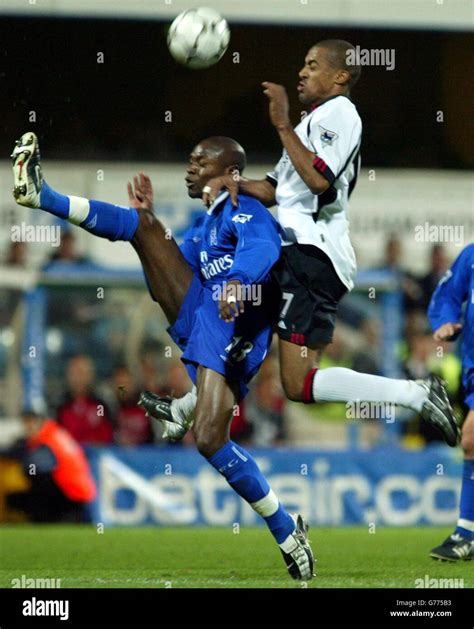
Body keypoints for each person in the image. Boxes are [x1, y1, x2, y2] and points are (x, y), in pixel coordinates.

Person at [11, 131, 315, 580]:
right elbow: (169, 262)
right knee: (144, 226)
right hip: (204, 318)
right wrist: (148, 225)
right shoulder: (204, 226)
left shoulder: (243, 208)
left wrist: (237, 281)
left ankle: (286, 530)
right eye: (190, 159)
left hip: (239, 324)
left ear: (230, 172)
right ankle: (43, 195)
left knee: (211, 440)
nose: (191, 167)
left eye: (201, 161)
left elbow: (264, 249)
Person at [143, 39, 459, 450]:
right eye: (303, 64)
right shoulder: (313, 123)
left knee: (282, 362)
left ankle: (416, 394)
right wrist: (231, 182)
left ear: (341, 75)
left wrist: (281, 124)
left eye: (313, 65)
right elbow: (275, 190)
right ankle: (190, 406)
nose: (302, 72)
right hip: (303, 256)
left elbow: (317, 180)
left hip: (310, 255)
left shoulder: (340, 114)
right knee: (259, 342)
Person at [427, 244, 474, 561]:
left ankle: (466, 534)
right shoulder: (471, 256)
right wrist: (444, 321)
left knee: (471, 439)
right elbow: (446, 294)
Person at [5, 406, 96, 523]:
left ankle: (48, 519)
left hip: (70, 496)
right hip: (80, 494)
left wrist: (16, 453)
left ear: (42, 421)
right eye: (26, 421)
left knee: (23, 489)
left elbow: (35, 465)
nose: (29, 426)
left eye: (32, 421)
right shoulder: (56, 433)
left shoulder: (48, 440)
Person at [56, 355, 114, 445]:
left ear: (91, 375)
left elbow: (108, 436)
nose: (78, 378)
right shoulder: (60, 405)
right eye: (74, 373)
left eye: (82, 373)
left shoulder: (100, 404)